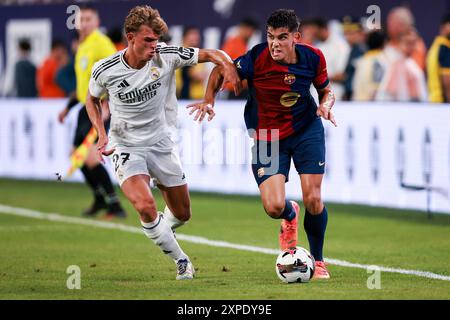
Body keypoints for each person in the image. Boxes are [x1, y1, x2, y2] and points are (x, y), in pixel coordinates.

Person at [85, 5, 240, 280]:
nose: (154, 46)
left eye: (157, 40)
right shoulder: (105, 69)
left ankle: (162, 231)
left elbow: (213, 54)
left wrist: (227, 66)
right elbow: (92, 99)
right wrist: (102, 132)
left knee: (182, 213)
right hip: (126, 145)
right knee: (145, 206)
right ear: (130, 37)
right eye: (148, 40)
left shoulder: (167, 55)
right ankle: (181, 260)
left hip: (162, 143)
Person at [188, 9, 336, 279]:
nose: (274, 44)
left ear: (296, 38)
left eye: (282, 37)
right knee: (273, 207)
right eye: (270, 37)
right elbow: (223, 70)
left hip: (306, 130)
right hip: (267, 136)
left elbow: (326, 90)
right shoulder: (256, 58)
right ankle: (289, 213)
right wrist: (209, 100)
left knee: (314, 197)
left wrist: (325, 105)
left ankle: (319, 260)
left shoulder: (313, 57)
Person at [58, 4, 126, 218]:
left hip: (99, 107)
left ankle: (115, 205)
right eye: (81, 19)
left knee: (90, 158)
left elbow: (117, 73)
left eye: (88, 19)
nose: (84, 23)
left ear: (96, 22)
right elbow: (83, 84)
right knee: (76, 157)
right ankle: (99, 199)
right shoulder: (82, 46)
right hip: (83, 108)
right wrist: (68, 108)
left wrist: (108, 105)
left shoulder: (101, 43)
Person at [376, 29, 427, 102]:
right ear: (399, 43)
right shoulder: (392, 62)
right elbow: (389, 93)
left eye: (414, 43)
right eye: (408, 43)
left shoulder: (412, 64)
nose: (412, 47)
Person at [221, 17, 259, 99]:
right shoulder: (234, 45)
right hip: (234, 91)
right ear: (244, 28)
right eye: (251, 30)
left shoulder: (242, 44)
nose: (252, 34)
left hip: (239, 90)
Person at [314, 17, 350, 101]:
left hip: (334, 93)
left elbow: (341, 75)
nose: (314, 36)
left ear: (323, 29)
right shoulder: (318, 47)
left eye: (316, 33)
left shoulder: (341, 46)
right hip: (315, 94)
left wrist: (317, 77)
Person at [352, 30, 387, 101]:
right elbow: (376, 89)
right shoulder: (380, 61)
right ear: (383, 44)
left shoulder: (362, 60)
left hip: (358, 104)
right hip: (370, 107)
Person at [176, 26, 208, 100]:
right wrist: (197, 74)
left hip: (197, 96)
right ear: (184, 37)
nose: (196, 37)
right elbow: (194, 74)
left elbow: (203, 74)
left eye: (196, 34)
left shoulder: (198, 53)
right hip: (182, 96)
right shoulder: (181, 52)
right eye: (192, 34)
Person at [341, 16, 366, 101]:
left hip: (360, 95)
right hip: (350, 94)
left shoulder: (363, 50)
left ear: (361, 33)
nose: (348, 36)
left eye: (351, 33)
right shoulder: (352, 49)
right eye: (346, 33)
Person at [427, 13, 450, 103]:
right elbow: (448, 83)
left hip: (434, 103)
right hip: (442, 105)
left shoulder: (436, 45)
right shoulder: (445, 47)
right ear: (444, 27)